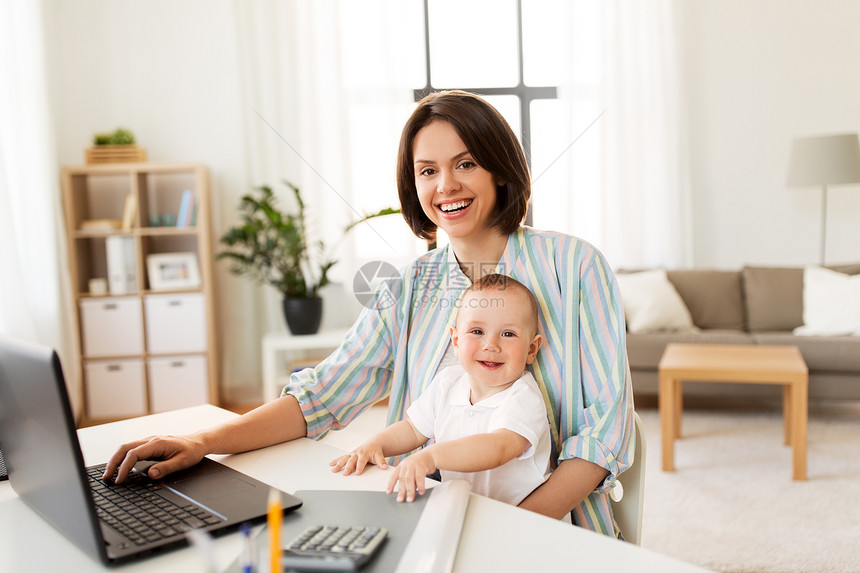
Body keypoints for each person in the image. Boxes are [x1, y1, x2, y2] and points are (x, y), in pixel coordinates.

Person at [104, 90, 634, 537]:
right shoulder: (404, 291)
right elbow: (321, 397)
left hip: (552, 531)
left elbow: (602, 437)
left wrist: (509, 535)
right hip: (430, 519)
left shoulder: (576, 266)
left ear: (501, 169)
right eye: (428, 171)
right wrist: (202, 442)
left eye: (466, 163)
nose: (445, 186)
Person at [330, 274, 551, 508]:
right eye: (477, 331)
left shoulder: (523, 397)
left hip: (520, 518)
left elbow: (499, 447)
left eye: (508, 334)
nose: (491, 345)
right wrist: (377, 444)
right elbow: (414, 429)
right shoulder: (448, 382)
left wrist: (432, 457)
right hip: (463, 506)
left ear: (531, 349)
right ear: (455, 341)